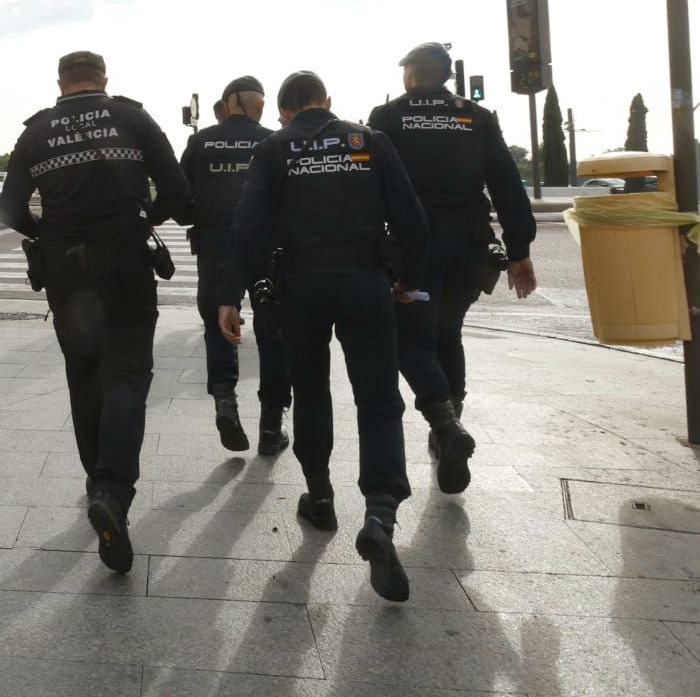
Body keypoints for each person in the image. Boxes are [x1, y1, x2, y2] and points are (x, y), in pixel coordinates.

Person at [218, 70, 428, 602]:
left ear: (284, 112)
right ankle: (380, 514)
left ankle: (319, 495)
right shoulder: (368, 141)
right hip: (366, 282)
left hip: (301, 288)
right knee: (379, 399)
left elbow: (247, 227)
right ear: (327, 103)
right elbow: (411, 219)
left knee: (311, 392)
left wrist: (229, 295)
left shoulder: (274, 149)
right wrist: (408, 280)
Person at [1, 51, 190, 574]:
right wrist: (140, 218)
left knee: (84, 375)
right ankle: (113, 489)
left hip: (66, 269)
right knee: (127, 372)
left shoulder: (37, 132)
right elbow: (177, 191)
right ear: (105, 79)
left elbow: (11, 208)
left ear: (59, 82)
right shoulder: (132, 117)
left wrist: (50, 233)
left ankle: (95, 483)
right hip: (126, 260)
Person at [368, 42, 537, 494]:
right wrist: (518, 251)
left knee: (411, 339)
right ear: (444, 75)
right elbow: (506, 183)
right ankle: (448, 431)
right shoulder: (477, 117)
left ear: (410, 73)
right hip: (469, 243)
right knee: (448, 334)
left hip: (412, 247)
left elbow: (367, 186)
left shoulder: (387, 117)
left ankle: (445, 426)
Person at [177, 76, 291, 454]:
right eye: (259, 103)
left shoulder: (200, 141)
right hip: (266, 245)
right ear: (238, 102)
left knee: (217, 322)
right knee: (273, 330)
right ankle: (271, 428)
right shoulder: (273, 141)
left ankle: (225, 400)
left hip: (215, 244)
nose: (263, 108)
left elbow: (179, 196)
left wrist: (202, 215)